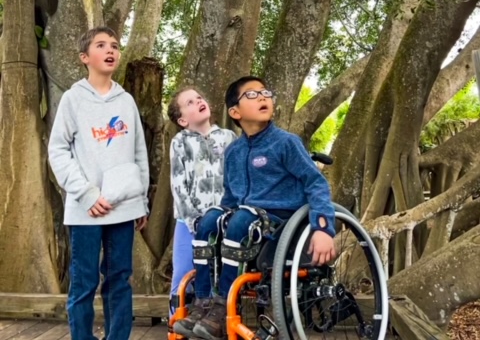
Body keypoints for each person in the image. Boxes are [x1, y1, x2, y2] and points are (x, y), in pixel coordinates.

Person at [173, 75, 336, 340]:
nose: (262, 97)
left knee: (241, 219)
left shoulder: (286, 142)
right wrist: (214, 220)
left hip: (281, 225)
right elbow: (229, 198)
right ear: (235, 112)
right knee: (212, 216)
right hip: (246, 224)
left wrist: (323, 228)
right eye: (251, 95)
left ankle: (224, 307)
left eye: (265, 93)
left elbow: (315, 184)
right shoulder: (235, 152)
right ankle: (204, 303)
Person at [48, 27, 149, 340]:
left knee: (120, 278)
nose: (111, 50)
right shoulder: (73, 99)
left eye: (115, 46)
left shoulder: (127, 100)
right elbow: (58, 150)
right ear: (84, 57)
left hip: (124, 208)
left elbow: (138, 153)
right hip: (86, 210)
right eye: (101, 45)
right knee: (84, 281)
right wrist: (87, 194)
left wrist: (140, 200)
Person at [168, 88, 236, 310]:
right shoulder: (180, 142)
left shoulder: (228, 138)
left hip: (224, 223)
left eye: (199, 97)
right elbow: (179, 185)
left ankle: (218, 326)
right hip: (189, 224)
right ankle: (176, 327)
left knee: (220, 278)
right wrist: (192, 221)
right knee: (184, 277)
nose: (198, 101)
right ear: (182, 119)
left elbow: (236, 180)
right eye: (189, 102)